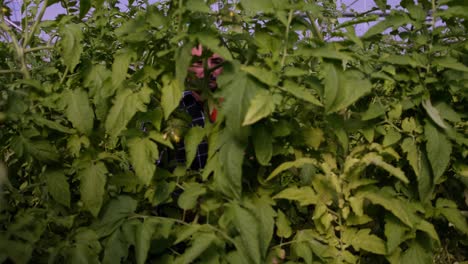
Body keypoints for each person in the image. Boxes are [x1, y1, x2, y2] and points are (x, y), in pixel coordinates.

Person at [162, 45, 224, 170]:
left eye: (216, 62)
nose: (208, 70)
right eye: (198, 62)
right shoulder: (171, 110)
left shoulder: (241, 108)